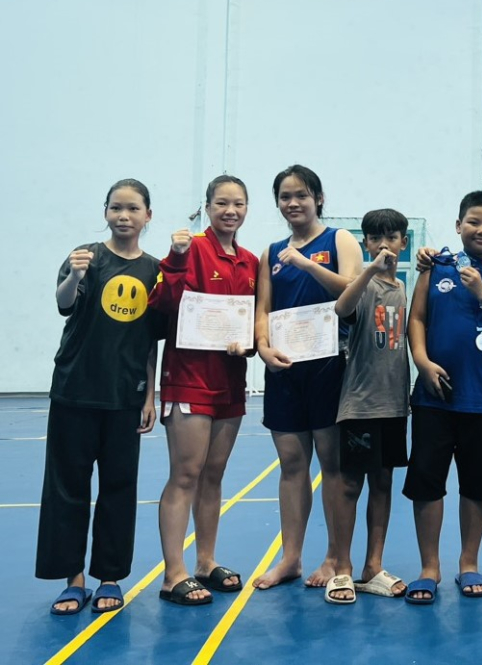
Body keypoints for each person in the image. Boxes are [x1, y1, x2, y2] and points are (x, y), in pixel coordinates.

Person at [37, 180, 162, 615]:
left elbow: (151, 340)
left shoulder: (155, 271)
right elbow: (64, 304)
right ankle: (72, 579)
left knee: (118, 489)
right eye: (115, 208)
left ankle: (110, 577)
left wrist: (150, 395)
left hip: (125, 397)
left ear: (148, 216)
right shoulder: (85, 257)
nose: (123, 216)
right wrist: (74, 276)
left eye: (133, 208)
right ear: (105, 212)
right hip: (74, 391)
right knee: (66, 488)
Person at [403, 191, 482, 604]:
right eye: (474, 222)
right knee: (427, 484)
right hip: (433, 396)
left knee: (476, 485)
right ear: (459, 226)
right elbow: (417, 318)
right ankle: (429, 568)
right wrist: (421, 362)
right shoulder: (436, 265)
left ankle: (468, 563)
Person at [148, 175, 259, 605]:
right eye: (222, 203)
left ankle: (205, 562)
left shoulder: (250, 262)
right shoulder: (190, 249)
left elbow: (252, 323)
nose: (230, 211)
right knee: (186, 475)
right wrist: (176, 258)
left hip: (229, 382)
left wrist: (249, 343)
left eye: (238, 203)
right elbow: (161, 307)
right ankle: (172, 574)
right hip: (188, 379)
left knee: (213, 475)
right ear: (208, 207)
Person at [252, 165, 363, 590]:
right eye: (285, 196)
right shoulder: (271, 252)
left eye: (301, 195)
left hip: (330, 368)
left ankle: (335, 557)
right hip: (285, 369)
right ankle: (291, 558)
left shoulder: (339, 239)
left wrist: (305, 263)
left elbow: (352, 292)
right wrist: (263, 346)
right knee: (292, 465)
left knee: (332, 465)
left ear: (319, 198)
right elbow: (263, 308)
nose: (293, 203)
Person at [327, 209, 411, 604]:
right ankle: (342, 569)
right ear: (365, 244)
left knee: (383, 483)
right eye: (375, 238)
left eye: (391, 237)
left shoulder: (403, 288)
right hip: (360, 404)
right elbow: (341, 308)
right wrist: (368, 270)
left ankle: (372, 567)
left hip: (394, 403)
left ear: (403, 243)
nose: (383, 244)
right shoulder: (363, 285)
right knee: (350, 485)